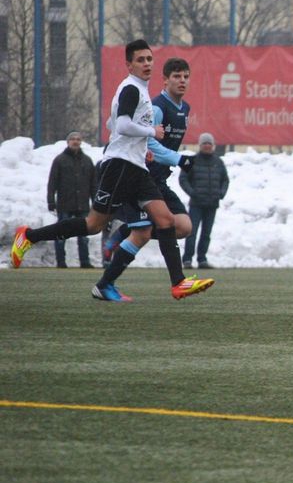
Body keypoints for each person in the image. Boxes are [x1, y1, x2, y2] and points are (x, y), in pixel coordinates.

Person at [10, 40, 213, 300]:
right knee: (94, 224)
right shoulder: (131, 89)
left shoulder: (138, 91)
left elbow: (112, 123)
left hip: (136, 167)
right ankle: (28, 236)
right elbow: (123, 124)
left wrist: (142, 145)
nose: (147, 64)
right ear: (129, 64)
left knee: (165, 221)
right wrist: (151, 132)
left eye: (149, 59)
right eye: (140, 60)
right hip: (120, 166)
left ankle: (178, 283)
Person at [93, 57, 198, 302]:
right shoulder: (158, 107)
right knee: (140, 233)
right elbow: (149, 142)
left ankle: (125, 233)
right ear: (165, 80)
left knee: (183, 226)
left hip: (160, 180)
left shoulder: (185, 109)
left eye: (185, 76)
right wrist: (178, 159)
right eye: (176, 76)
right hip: (141, 176)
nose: (182, 80)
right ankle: (105, 283)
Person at [46, 131, 96, 268]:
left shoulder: (87, 160)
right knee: (61, 234)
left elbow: (93, 184)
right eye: (73, 139)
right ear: (68, 142)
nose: (76, 141)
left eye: (78, 139)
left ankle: (85, 262)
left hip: (83, 205)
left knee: (84, 236)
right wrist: (51, 201)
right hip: (65, 204)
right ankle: (61, 262)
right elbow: (52, 183)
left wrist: (96, 202)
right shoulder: (59, 160)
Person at [180, 133, 230, 268]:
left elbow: (225, 180)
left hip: (212, 203)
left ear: (213, 146)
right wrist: (192, 193)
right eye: (204, 144)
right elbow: (183, 179)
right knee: (192, 232)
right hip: (196, 204)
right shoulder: (191, 160)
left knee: (206, 234)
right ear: (200, 145)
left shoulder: (218, 162)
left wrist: (221, 193)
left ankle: (202, 259)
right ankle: (187, 259)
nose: (207, 146)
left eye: (209, 144)